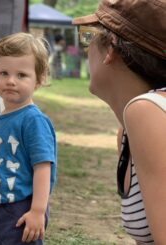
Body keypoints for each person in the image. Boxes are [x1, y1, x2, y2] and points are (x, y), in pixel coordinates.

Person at [73, 0, 166, 244]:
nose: (85, 48)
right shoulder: (128, 129)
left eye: (88, 36)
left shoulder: (149, 111)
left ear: (111, 49)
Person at [0, 32, 57, 244]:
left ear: (38, 81)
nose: (11, 81)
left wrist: (38, 211)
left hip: (21, 211)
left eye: (21, 75)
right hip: (1, 211)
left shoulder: (33, 120)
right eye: (3, 73)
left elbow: (43, 167)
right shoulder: (1, 118)